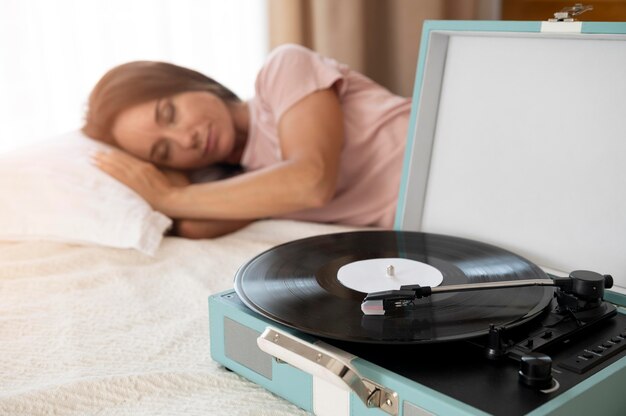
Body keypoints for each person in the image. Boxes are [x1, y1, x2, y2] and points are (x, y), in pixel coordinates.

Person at [86, 44, 411, 238]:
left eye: (170, 114)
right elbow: (192, 228)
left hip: (453, 157)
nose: (187, 139)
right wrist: (159, 187)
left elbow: (311, 181)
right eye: (164, 151)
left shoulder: (282, 69)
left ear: (187, 82)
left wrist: (167, 196)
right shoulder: (245, 185)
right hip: (436, 229)